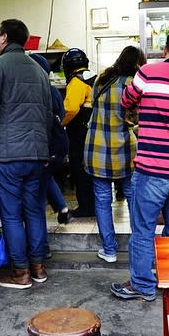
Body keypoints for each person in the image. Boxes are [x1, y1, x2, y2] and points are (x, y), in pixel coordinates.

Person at [111, 28, 169, 302]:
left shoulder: (148, 72)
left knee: (143, 228)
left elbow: (126, 100)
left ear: (164, 49)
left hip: (153, 168)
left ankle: (142, 285)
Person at [0, 19, 53, 289]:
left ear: (4, 37)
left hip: (7, 155)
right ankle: (38, 267)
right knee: (34, 211)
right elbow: (48, 115)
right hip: (37, 154)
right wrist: (45, 150)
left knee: (11, 214)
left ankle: (20, 273)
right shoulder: (39, 70)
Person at [84, 45, 146, 263]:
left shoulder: (102, 78)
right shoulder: (133, 84)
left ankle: (109, 250)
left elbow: (93, 106)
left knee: (102, 199)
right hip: (124, 149)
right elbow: (135, 118)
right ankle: (137, 248)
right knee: (131, 196)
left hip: (97, 146)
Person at [30, 53, 72, 226]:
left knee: (40, 180)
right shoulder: (54, 90)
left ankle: (59, 210)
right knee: (44, 176)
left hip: (48, 143)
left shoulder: (36, 91)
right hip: (60, 141)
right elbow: (61, 115)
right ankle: (62, 209)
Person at [61, 48, 96, 217]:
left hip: (79, 132)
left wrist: (60, 124)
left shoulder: (76, 81)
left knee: (78, 168)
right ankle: (95, 205)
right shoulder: (95, 77)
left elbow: (71, 109)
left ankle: (86, 207)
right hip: (94, 131)